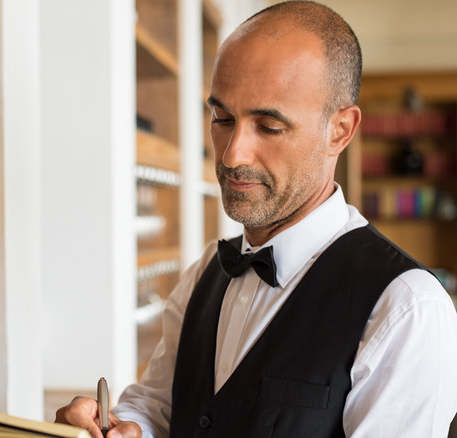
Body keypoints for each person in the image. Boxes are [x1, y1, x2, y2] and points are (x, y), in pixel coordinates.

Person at [55, 1, 457, 437]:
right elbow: (160, 403)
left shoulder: (406, 308)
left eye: (268, 126)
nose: (232, 154)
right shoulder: (205, 272)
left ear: (339, 130)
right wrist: (123, 426)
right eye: (222, 118)